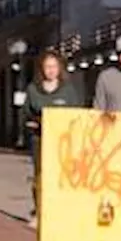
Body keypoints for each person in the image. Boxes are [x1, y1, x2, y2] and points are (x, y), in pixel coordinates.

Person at [22, 50, 84, 228]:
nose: (51, 70)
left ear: (59, 68)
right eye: (47, 67)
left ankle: (61, 211)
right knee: (40, 177)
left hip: (63, 141)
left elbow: (76, 115)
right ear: (42, 69)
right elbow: (26, 114)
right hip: (40, 140)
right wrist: (32, 124)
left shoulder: (68, 90)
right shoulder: (33, 90)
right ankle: (39, 212)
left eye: (54, 66)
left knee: (62, 177)